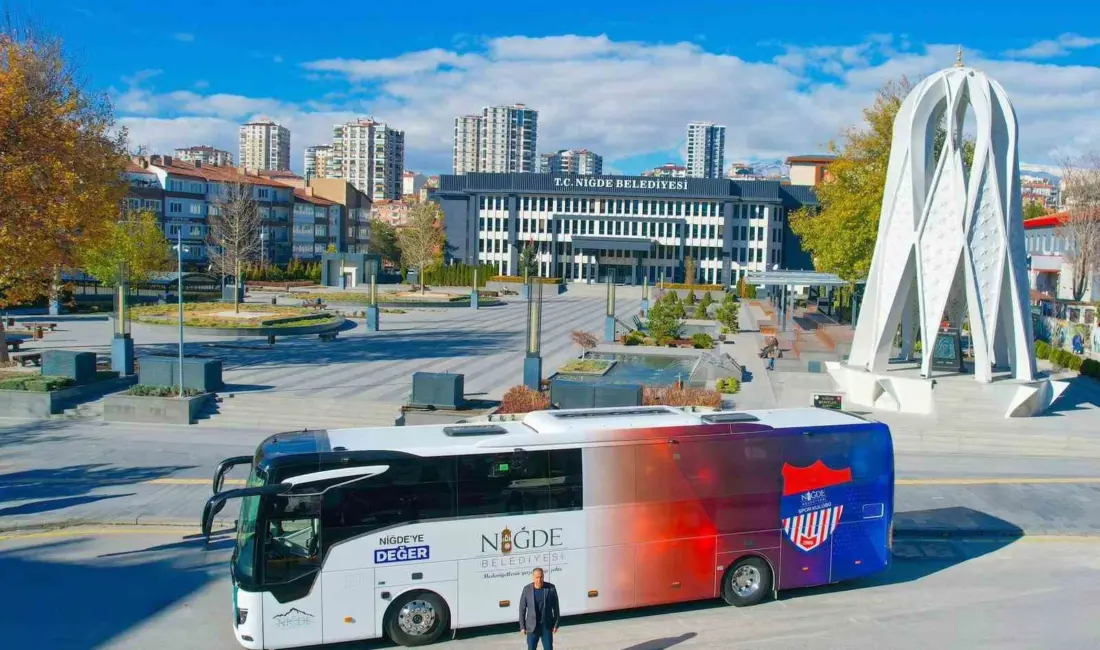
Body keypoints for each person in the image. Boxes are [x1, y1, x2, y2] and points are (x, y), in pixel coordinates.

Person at [518, 567, 559, 650]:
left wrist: (556, 624)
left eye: (541, 577)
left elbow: (556, 607)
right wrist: (522, 626)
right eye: (537, 577)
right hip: (532, 627)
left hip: (546, 626)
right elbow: (522, 609)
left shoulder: (551, 588)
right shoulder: (527, 590)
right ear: (533, 577)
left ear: (543, 577)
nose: (539, 580)